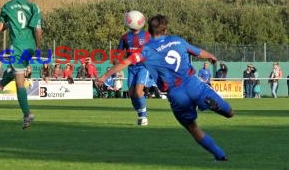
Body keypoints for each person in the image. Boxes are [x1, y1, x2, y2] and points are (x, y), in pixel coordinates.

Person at [97, 14, 233, 161]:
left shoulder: (145, 50)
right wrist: (211, 56)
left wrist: (105, 76)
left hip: (176, 94)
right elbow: (199, 53)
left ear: (149, 30)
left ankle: (220, 155)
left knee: (193, 128)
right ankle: (208, 103)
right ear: (166, 29)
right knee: (230, 113)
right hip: (193, 84)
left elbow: (124, 62)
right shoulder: (177, 40)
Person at [0, 0, 43, 129]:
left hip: (17, 47)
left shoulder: (8, 5)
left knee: (19, 83)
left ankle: (27, 114)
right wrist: (37, 45)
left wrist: (10, 23)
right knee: (18, 72)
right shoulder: (34, 7)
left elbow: (0, 28)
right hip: (29, 47)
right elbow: (37, 30)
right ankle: (2, 83)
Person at [117, 14, 151, 126]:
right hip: (131, 67)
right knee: (131, 94)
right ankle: (141, 115)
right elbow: (119, 52)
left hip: (143, 66)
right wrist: (117, 61)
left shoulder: (147, 36)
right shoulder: (125, 37)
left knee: (138, 91)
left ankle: (144, 116)